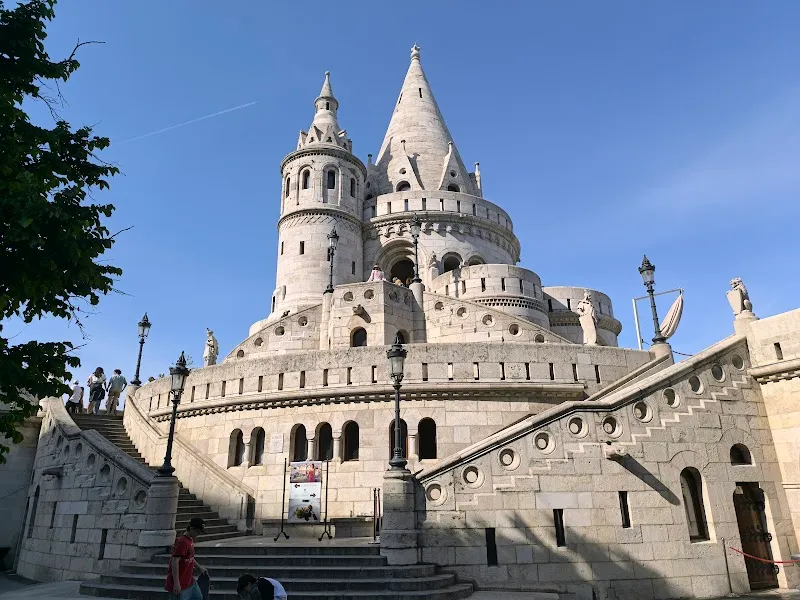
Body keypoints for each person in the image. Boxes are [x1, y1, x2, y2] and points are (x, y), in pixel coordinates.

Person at [165, 517, 208, 599]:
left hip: (190, 581)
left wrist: (199, 567)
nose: (198, 534)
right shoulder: (182, 542)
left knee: (199, 598)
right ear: (191, 529)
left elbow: (190, 557)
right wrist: (176, 584)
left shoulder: (189, 540)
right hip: (180, 584)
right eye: (198, 532)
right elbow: (174, 562)